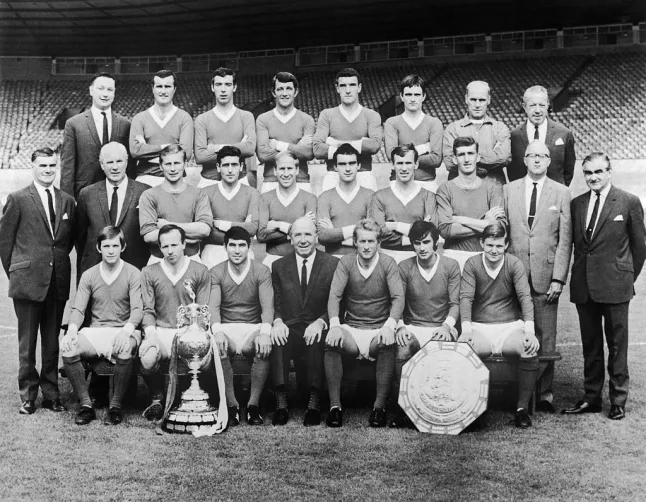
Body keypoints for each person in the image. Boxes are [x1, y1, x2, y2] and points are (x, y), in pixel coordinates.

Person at [563, 153, 646, 420]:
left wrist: (625, 277)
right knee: (591, 346)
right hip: (584, 286)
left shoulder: (628, 201)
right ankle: (591, 398)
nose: (593, 177)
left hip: (616, 286)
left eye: (598, 171)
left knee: (617, 345)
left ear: (610, 172)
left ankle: (618, 400)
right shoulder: (577, 204)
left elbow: (640, 247)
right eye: (588, 173)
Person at [0, 147, 76, 415]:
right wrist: (18, 273)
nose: (47, 170)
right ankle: (28, 396)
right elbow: (5, 242)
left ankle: (52, 394)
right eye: (42, 166)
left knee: (52, 342)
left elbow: (66, 242)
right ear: (32, 167)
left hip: (57, 281)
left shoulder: (67, 200)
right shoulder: (18, 198)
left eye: (52, 166)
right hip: (28, 282)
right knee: (28, 342)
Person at [503, 141, 572, 412]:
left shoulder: (561, 192)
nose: (537, 160)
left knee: (546, 336)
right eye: (532, 155)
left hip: (546, 276)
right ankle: (516, 391)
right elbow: (503, 229)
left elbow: (565, 240)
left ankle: (544, 394)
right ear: (524, 159)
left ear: (549, 160)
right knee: (515, 332)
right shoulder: (508, 189)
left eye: (542, 156)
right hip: (514, 275)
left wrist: (558, 278)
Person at [459, 222, 539, 428]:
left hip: (509, 327)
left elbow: (525, 298)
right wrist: (466, 329)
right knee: (466, 349)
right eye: (489, 245)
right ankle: (473, 407)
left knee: (528, 348)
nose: (494, 250)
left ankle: (521, 409)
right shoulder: (472, 264)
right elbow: (465, 298)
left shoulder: (514, 264)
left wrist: (529, 331)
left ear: (506, 244)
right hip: (480, 327)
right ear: (481, 243)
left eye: (499, 246)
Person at [325, 219, 404, 428]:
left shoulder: (387, 263)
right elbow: (334, 296)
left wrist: (389, 326)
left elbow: (398, 298)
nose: (367, 246)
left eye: (371, 241)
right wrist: (334, 324)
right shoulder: (346, 262)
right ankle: (335, 407)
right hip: (352, 328)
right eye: (362, 241)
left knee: (388, 342)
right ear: (355, 242)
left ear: (378, 243)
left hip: (378, 329)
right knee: (332, 341)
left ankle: (379, 407)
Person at [61, 226, 143, 426]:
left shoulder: (133, 273)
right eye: (106, 246)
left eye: (115, 245)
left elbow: (138, 310)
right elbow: (78, 309)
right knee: (69, 348)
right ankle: (86, 405)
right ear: (99, 248)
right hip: (97, 330)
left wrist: (126, 332)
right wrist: (72, 331)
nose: (111, 250)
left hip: (124, 329)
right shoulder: (89, 275)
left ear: (122, 247)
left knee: (124, 351)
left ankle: (115, 406)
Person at [390, 220, 460, 428]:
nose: (422, 247)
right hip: (413, 326)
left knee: (442, 363)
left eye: (426, 242)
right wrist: (400, 325)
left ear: (436, 242)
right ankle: (402, 409)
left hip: (441, 327)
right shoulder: (404, 267)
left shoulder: (450, 266)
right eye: (417, 243)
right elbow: (397, 301)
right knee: (402, 347)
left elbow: (455, 303)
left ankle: (442, 409)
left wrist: (447, 326)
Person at [270, 217, 339, 426]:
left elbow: (337, 301)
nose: (303, 239)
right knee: (278, 338)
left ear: (316, 238)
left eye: (308, 234)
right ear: (290, 239)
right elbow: (276, 302)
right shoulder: (279, 266)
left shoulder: (332, 264)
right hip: (289, 325)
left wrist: (321, 322)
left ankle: (314, 403)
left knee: (319, 337)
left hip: (316, 324)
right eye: (298, 234)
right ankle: (281, 403)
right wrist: (278, 321)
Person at [139, 224, 211, 421]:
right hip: (161, 331)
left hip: (189, 330)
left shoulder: (200, 270)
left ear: (184, 244)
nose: (170, 251)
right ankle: (157, 398)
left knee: (204, 362)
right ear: (159, 248)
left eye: (174, 245)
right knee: (147, 357)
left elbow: (204, 311)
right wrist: (151, 335)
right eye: (165, 247)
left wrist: (195, 334)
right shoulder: (148, 272)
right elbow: (148, 309)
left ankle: (190, 397)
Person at [210, 227, 274, 426]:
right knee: (217, 345)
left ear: (249, 247)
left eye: (241, 246)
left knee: (262, 347)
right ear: (225, 247)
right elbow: (214, 306)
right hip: (227, 327)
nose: (237, 250)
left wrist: (264, 332)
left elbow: (267, 306)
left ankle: (253, 405)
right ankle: (232, 405)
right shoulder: (216, 271)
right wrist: (217, 331)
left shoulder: (261, 270)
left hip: (251, 327)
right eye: (232, 246)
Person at [76, 142, 150, 277]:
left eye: (119, 161)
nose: (115, 167)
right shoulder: (87, 194)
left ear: (126, 162)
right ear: (102, 164)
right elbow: (80, 238)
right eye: (109, 162)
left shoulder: (144, 191)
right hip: (96, 269)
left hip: (134, 268)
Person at [436, 137, 506, 271]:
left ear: (478, 157)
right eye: (461, 154)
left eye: (471, 153)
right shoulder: (445, 189)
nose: (467, 159)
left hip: (485, 256)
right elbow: (445, 230)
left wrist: (461, 220)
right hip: (454, 257)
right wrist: (485, 222)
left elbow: (499, 228)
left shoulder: (492, 188)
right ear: (455, 159)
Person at [61, 72, 133, 199]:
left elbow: (130, 164)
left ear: (114, 93)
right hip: (83, 195)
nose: (105, 94)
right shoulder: (74, 124)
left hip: (117, 194)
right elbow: (67, 167)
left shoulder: (125, 124)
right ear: (91, 90)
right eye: (101, 89)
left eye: (109, 89)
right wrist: (67, 202)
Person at [138, 144, 212, 264]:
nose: (173, 169)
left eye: (177, 163)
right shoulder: (149, 195)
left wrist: (167, 225)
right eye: (168, 164)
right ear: (161, 166)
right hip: (158, 261)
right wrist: (191, 235)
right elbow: (149, 236)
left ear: (185, 164)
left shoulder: (198, 194)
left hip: (191, 260)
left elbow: (204, 230)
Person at [313, 68, 382, 192]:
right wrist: (360, 144)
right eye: (343, 86)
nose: (348, 90)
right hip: (333, 175)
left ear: (359, 87)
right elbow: (317, 149)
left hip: (363, 174)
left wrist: (337, 144)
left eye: (352, 85)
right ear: (337, 88)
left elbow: (374, 145)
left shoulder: (371, 115)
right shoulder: (327, 115)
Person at [370, 144, 437, 263]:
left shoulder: (428, 196)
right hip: (387, 258)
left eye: (408, 163)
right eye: (400, 163)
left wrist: (395, 226)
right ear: (392, 165)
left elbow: (431, 232)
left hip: (418, 259)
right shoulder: (379, 197)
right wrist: (416, 233)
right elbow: (378, 234)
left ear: (416, 164)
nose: (404, 168)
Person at [129, 70, 194, 187]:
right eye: (159, 86)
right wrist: (169, 147)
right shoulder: (139, 118)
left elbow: (186, 153)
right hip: (146, 178)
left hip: (176, 179)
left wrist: (147, 149)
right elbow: (135, 151)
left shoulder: (184, 118)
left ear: (174, 89)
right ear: (153, 88)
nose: (163, 91)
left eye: (167, 86)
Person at [194, 67, 257, 187]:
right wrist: (238, 148)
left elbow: (249, 149)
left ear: (234, 87)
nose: (223, 89)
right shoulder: (202, 119)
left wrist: (215, 148)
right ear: (213, 87)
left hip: (239, 181)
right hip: (209, 181)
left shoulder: (246, 116)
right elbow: (200, 157)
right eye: (218, 84)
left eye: (228, 84)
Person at [442, 81, 510, 187]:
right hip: (461, 189)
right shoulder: (452, 129)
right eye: (473, 100)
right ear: (466, 99)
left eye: (482, 100)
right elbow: (450, 162)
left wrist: (466, 159)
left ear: (488, 100)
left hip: (493, 188)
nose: (477, 105)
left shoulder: (500, 128)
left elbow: (504, 157)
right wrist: (490, 157)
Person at [201, 146, 260, 269]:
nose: (230, 170)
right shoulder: (205, 193)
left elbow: (253, 228)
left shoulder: (251, 193)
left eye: (234, 165)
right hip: (212, 254)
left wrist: (220, 224)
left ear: (241, 166)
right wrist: (242, 228)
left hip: (243, 253)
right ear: (218, 167)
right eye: (225, 165)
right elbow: (206, 232)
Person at [256, 72, 315, 193]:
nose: (284, 93)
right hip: (271, 181)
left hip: (301, 181)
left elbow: (309, 153)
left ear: (296, 91)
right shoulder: (263, 119)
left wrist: (279, 145)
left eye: (288, 88)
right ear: (273, 92)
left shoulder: (307, 120)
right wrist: (298, 148)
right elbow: (262, 154)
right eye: (280, 89)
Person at [257, 151, 317, 269]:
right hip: (273, 260)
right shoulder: (265, 198)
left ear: (297, 170)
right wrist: (297, 227)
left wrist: (278, 225)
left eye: (290, 168)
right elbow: (261, 235)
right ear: (275, 171)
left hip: (301, 261)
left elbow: (311, 234)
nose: (285, 173)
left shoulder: (309, 198)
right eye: (281, 168)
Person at [384, 74, 443, 193]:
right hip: (398, 183)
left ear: (423, 96)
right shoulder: (392, 123)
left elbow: (436, 159)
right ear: (401, 96)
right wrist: (423, 148)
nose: (412, 99)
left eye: (416, 94)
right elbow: (392, 156)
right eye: (408, 94)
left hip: (426, 182)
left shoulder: (434, 123)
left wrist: (403, 155)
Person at [508, 85, 576, 186]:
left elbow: (569, 170)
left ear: (548, 105)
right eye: (532, 105)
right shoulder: (513, 136)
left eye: (542, 105)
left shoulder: (564, 134)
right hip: (523, 197)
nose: (537, 110)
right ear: (524, 107)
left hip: (555, 197)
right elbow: (512, 172)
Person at [317, 144, 373, 257]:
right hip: (333, 261)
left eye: (352, 163)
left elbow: (372, 235)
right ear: (335, 167)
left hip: (361, 260)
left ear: (359, 165)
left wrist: (335, 235)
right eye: (342, 164)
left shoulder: (370, 196)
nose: (347, 169)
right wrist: (358, 228)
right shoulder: (324, 197)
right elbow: (322, 236)